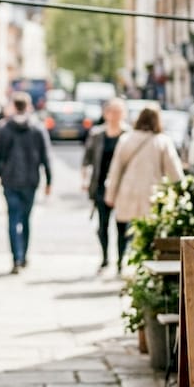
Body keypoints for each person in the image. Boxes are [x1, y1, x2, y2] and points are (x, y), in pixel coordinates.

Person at [104, 107, 185, 262]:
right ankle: (145, 264)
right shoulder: (162, 141)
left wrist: (110, 195)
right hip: (152, 194)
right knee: (148, 231)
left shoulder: (126, 139)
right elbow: (175, 173)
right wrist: (180, 192)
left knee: (123, 230)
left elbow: (116, 170)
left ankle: (121, 261)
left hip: (126, 192)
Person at [0, 92, 52, 274]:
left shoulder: (5, 128)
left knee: (12, 218)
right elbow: (45, 156)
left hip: (9, 180)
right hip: (30, 180)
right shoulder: (37, 128)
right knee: (25, 219)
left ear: (13, 106)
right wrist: (49, 180)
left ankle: (16, 257)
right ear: (28, 106)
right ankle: (23, 256)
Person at [81, 97, 130, 272]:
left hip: (123, 188)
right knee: (102, 226)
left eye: (119, 112)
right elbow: (87, 160)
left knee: (123, 225)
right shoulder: (97, 134)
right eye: (112, 112)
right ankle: (105, 257)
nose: (115, 115)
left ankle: (120, 259)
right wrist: (85, 181)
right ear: (106, 114)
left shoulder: (128, 135)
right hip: (101, 186)